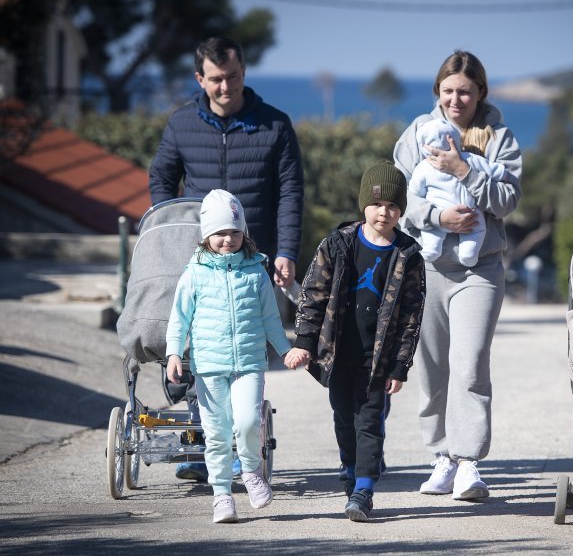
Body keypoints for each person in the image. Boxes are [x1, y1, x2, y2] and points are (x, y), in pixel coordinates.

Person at [149, 35, 304, 481]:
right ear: (200, 78)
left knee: (246, 350)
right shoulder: (181, 124)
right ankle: (206, 446)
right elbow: (161, 176)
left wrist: (287, 251)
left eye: (232, 77)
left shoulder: (275, 125)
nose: (225, 87)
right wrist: (173, 225)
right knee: (202, 350)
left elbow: (291, 193)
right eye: (215, 79)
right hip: (201, 262)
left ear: (243, 73)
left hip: (255, 260)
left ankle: (240, 446)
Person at [393, 50, 522, 500]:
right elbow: (400, 200)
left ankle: (468, 463)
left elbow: (507, 201)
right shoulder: (416, 135)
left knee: (468, 365)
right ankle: (441, 457)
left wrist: (463, 168)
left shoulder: (501, 138)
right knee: (429, 370)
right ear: (437, 92)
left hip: (479, 269)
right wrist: (437, 216)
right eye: (448, 90)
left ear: (480, 92)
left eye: (465, 91)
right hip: (426, 267)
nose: (456, 99)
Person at [284, 160, 426, 522]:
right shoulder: (337, 244)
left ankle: (364, 488)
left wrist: (400, 365)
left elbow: (412, 316)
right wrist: (304, 342)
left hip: (376, 361)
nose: (385, 212)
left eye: (393, 206)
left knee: (369, 421)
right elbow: (313, 296)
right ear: (364, 205)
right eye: (378, 204)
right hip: (336, 354)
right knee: (343, 418)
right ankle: (350, 467)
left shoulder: (408, 256)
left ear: (401, 211)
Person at [165, 189, 293, 523]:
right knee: (218, 434)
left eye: (235, 232)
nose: (228, 239)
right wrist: (174, 354)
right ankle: (221, 494)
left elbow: (270, 320)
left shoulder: (255, 271)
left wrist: (286, 350)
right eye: (220, 232)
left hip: (249, 363)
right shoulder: (194, 273)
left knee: (248, 422)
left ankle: (251, 471)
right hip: (208, 367)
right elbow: (179, 319)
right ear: (206, 235)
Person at [409, 118, 507, 267]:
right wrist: (501, 172)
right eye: (448, 91)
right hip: (469, 214)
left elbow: (415, 191)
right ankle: (468, 254)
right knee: (477, 229)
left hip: (438, 213)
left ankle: (431, 249)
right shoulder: (469, 158)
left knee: (432, 233)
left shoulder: (423, 167)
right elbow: (492, 169)